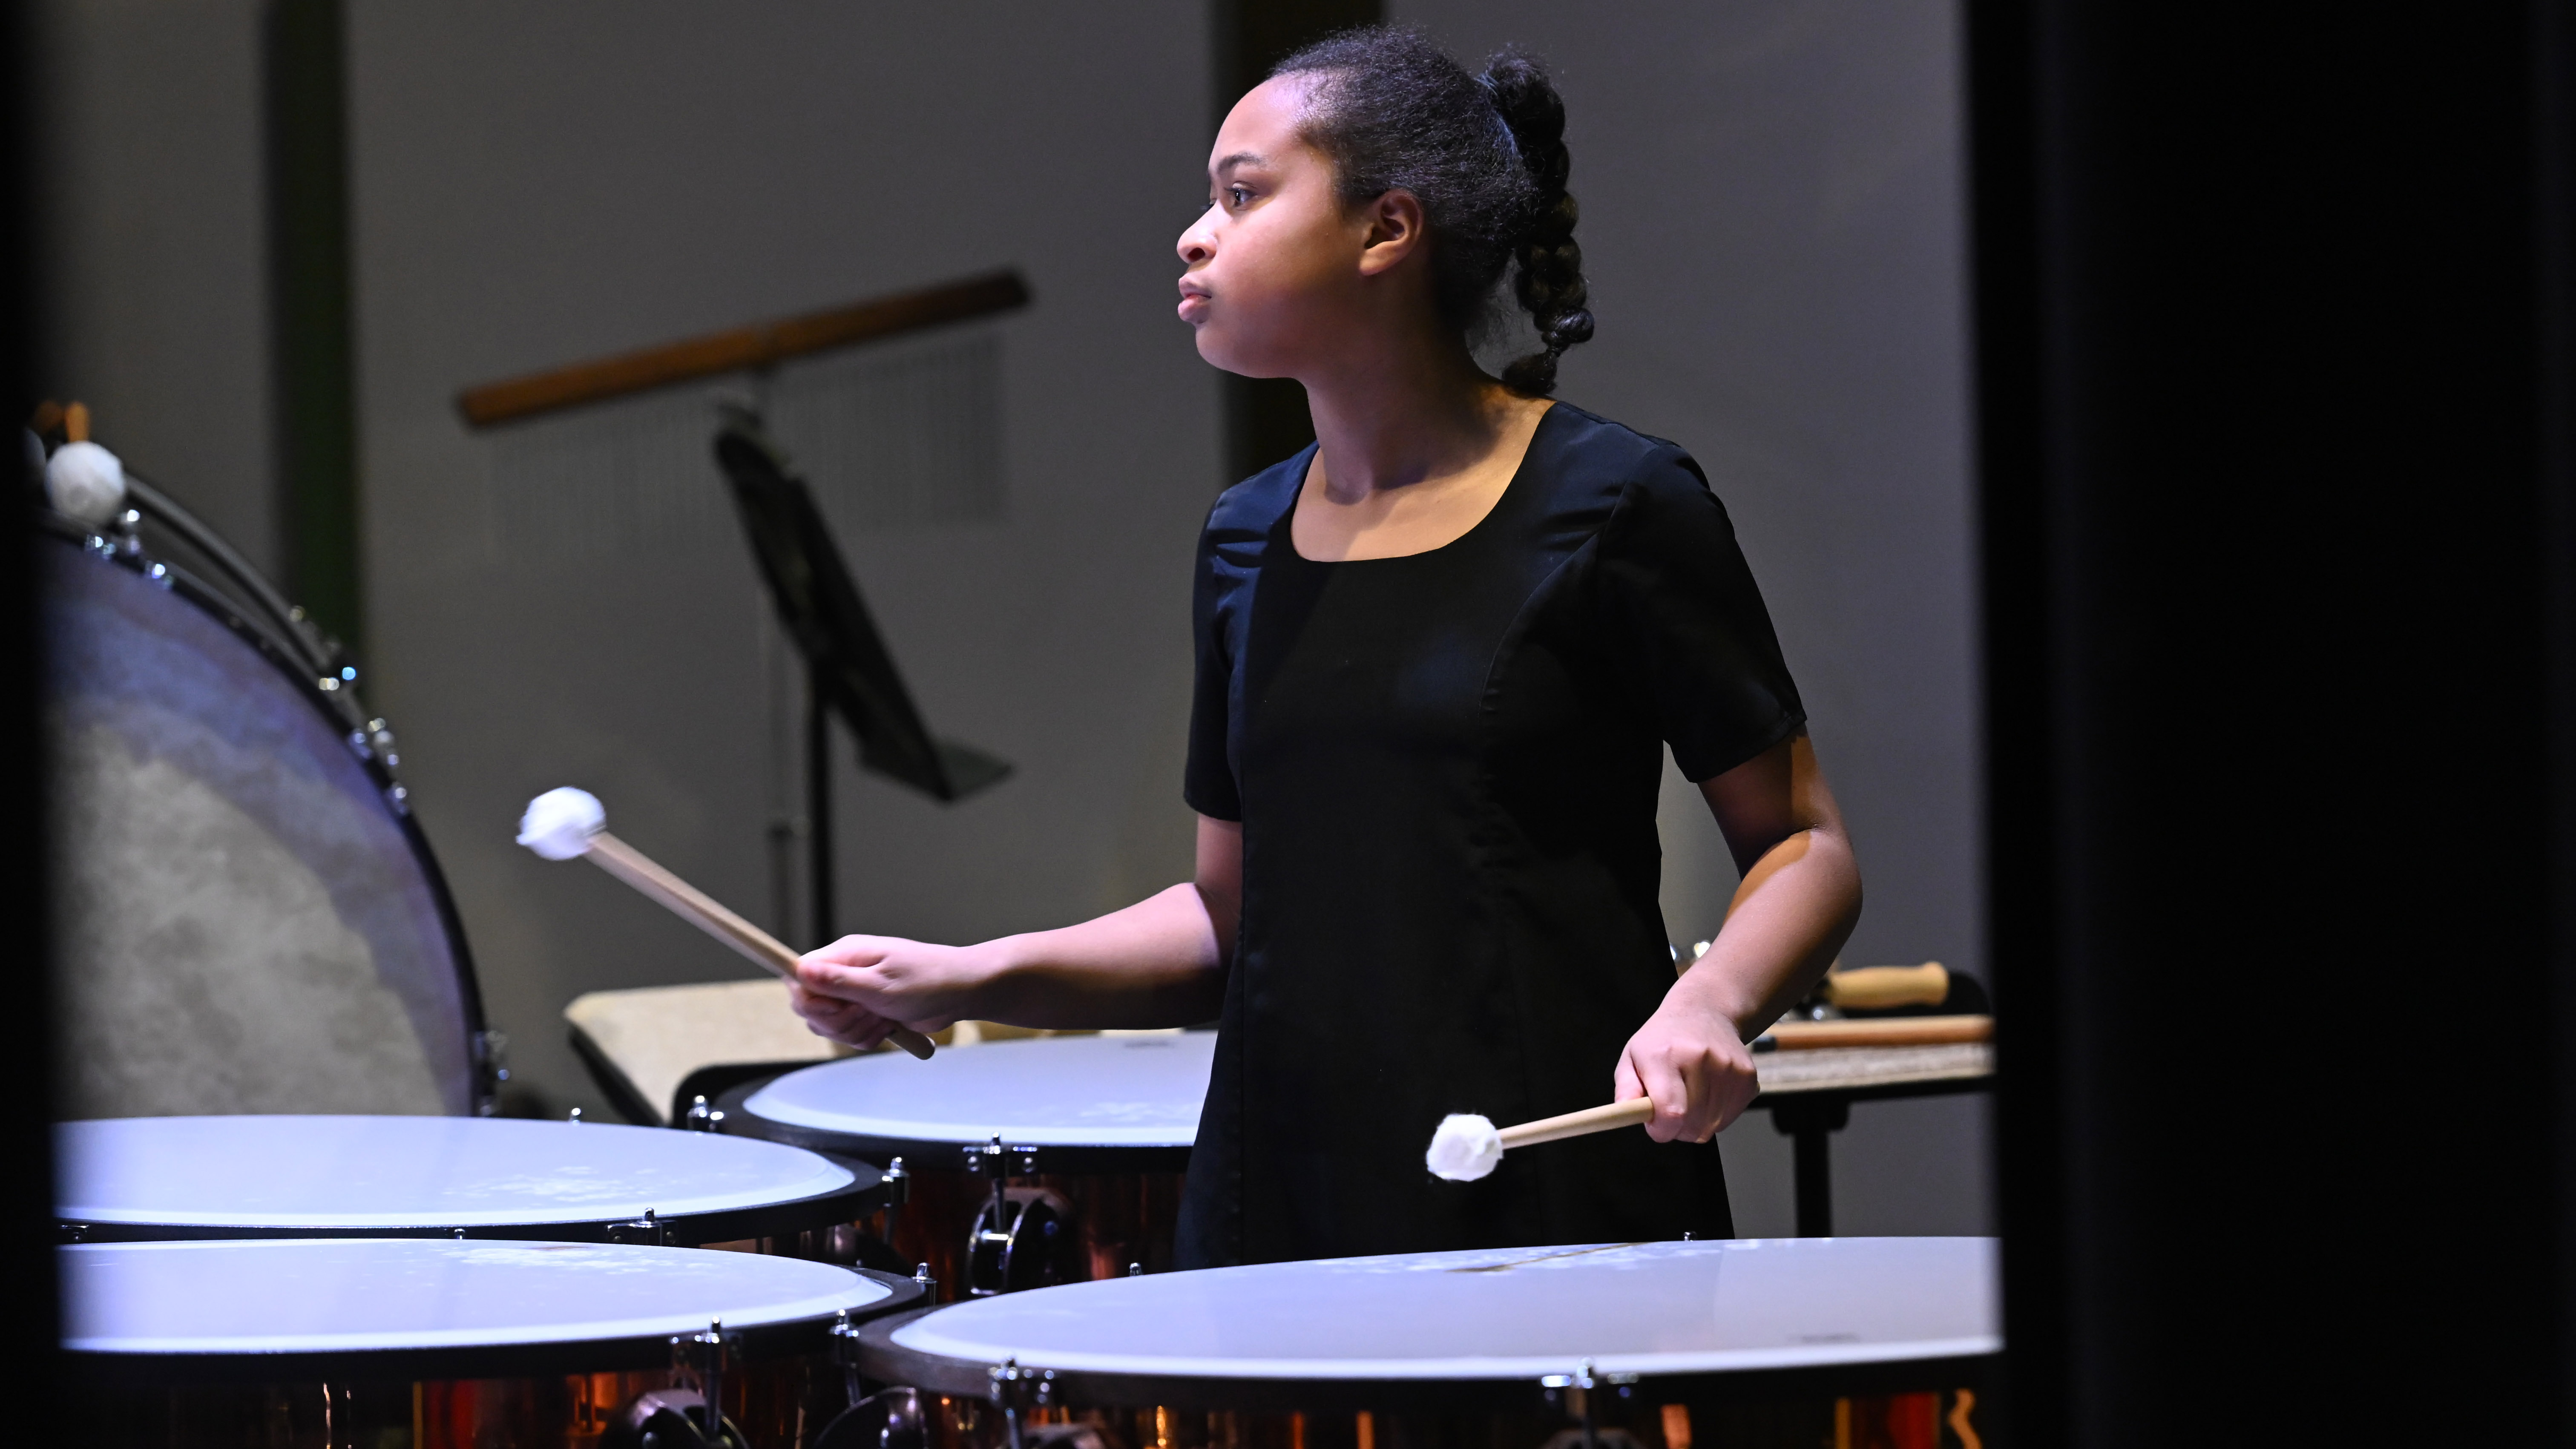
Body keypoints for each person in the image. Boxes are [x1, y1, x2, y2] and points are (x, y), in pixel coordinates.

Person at [789, 26, 1861, 1267]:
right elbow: (1234, 918)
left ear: (1385, 230)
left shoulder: (1619, 503)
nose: (1196, 233)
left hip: (1550, 1194)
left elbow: (1804, 842)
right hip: (1280, 1206)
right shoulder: (1244, 538)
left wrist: (1711, 1001)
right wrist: (967, 975)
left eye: (1242, 195)